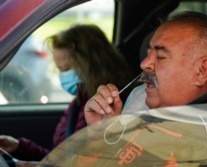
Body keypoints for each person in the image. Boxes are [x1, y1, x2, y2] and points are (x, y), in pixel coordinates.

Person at [0, 24, 134, 162]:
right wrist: (19, 147)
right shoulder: (78, 103)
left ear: (91, 64)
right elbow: (60, 157)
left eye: (67, 69)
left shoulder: (113, 105)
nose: (63, 76)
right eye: (60, 69)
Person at [84, 11, 207, 126]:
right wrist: (104, 132)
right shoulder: (139, 98)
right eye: (148, 54)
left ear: (201, 71)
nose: (144, 64)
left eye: (160, 56)